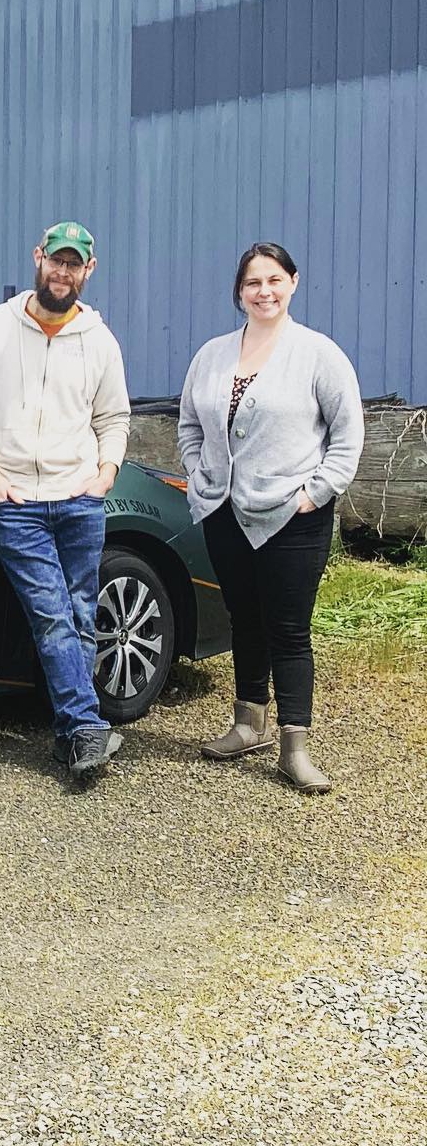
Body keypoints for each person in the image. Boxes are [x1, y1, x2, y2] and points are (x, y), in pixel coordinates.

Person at [178, 243, 363, 793]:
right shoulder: (212, 355)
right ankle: (248, 722)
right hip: (224, 510)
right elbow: (188, 424)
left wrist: (314, 494)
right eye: (253, 282)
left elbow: (347, 436)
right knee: (244, 617)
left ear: (293, 283)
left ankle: (294, 747)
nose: (264, 291)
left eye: (274, 280)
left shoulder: (318, 354)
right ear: (239, 291)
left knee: (289, 628)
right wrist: (199, 475)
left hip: (293, 516)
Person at [0, 221, 131, 780]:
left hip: (79, 499)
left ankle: (70, 737)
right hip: (15, 501)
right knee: (52, 615)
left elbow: (114, 417)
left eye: (74, 264)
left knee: (80, 617)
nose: (63, 272)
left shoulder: (99, 340)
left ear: (88, 270)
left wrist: (104, 475)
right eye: (56, 260)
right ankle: (87, 726)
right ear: (38, 257)